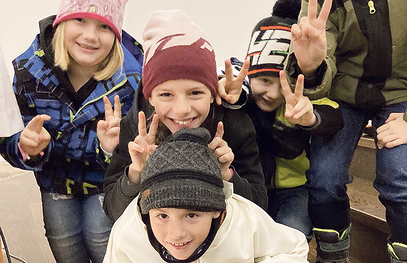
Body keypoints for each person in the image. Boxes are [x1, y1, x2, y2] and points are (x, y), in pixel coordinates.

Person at [284, 0, 407, 262]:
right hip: (343, 89)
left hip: (405, 89)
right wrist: (311, 68)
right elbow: (316, 39)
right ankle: (332, 256)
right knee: (324, 178)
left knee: (400, 178)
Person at [1, 0, 143, 262]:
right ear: (62, 22)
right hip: (55, 182)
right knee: (63, 240)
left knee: (101, 236)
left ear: (116, 33)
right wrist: (27, 148)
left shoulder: (131, 81)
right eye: (80, 20)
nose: (90, 35)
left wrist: (111, 148)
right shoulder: (27, 71)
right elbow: (8, 135)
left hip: (105, 181)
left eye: (103, 25)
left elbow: (140, 153)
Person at [102, 9, 267, 222]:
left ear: (212, 93)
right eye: (166, 94)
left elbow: (260, 207)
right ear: (150, 97)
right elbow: (113, 211)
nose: (182, 109)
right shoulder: (136, 128)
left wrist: (227, 175)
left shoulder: (233, 125)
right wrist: (136, 172)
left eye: (195, 93)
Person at [217, 0, 342, 240]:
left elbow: (334, 115)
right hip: (245, 185)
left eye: (283, 83)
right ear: (249, 73)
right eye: (264, 80)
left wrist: (310, 118)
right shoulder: (241, 92)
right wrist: (225, 92)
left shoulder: (299, 98)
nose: (273, 93)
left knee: (291, 233)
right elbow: (226, 76)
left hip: (294, 189)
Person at [103, 126, 309, 263]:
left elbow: (295, 249)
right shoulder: (127, 234)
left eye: (192, 215)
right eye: (162, 215)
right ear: (147, 212)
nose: (176, 233)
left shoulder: (243, 220)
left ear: (217, 210)